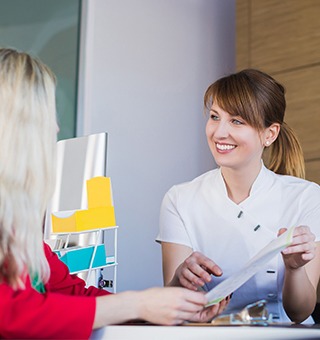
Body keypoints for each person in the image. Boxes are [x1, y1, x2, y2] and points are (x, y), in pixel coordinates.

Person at [0, 48, 229, 339]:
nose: (56, 127)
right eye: (47, 115)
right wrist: (139, 304)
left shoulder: (21, 230)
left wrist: (164, 309)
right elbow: (12, 313)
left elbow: (72, 294)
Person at [157, 69, 320, 324]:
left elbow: (300, 312)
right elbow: (174, 307)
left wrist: (294, 268)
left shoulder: (307, 197)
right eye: (214, 117)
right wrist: (181, 278)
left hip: (287, 335)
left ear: (270, 134)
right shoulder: (179, 199)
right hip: (210, 333)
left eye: (237, 121)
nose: (219, 133)